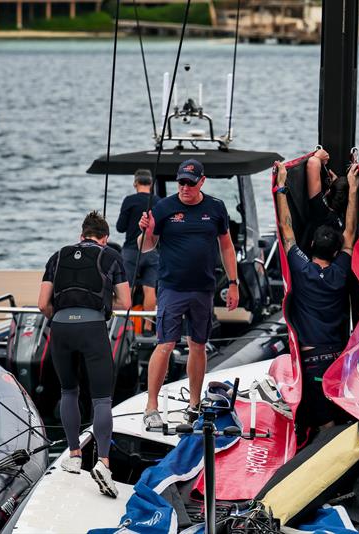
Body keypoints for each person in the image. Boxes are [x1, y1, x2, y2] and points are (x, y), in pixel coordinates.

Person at [137, 159, 240, 430]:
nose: (184, 187)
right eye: (181, 182)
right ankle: (151, 406)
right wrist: (145, 231)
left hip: (203, 289)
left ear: (201, 182)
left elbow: (227, 247)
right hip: (171, 288)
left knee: (197, 344)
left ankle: (194, 405)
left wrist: (233, 283)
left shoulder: (216, 208)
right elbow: (146, 247)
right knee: (165, 345)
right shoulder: (164, 207)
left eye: (190, 183)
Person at [37, 211, 131, 498]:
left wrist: (63, 317)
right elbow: (126, 302)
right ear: (105, 239)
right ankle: (103, 462)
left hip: (61, 328)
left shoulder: (57, 256)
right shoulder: (111, 256)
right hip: (93, 327)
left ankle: (74, 454)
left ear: (81, 236)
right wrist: (105, 306)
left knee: (69, 392)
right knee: (101, 398)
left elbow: (43, 304)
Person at [273, 160, 359, 431]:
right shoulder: (340, 271)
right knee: (337, 419)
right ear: (336, 253)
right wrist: (354, 191)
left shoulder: (301, 267)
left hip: (312, 365)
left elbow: (287, 231)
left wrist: (281, 186)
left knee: (325, 428)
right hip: (338, 360)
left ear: (310, 245)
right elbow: (350, 234)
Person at [116, 169, 161, 333]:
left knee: (127, 287)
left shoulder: (129, 201)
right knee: (150, 289)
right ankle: (148, 327)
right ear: (151, 184)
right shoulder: (158, 201)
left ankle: (125, 326)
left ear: (135, 183)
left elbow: (120, 228)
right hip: (152, 251)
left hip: (131, 252)